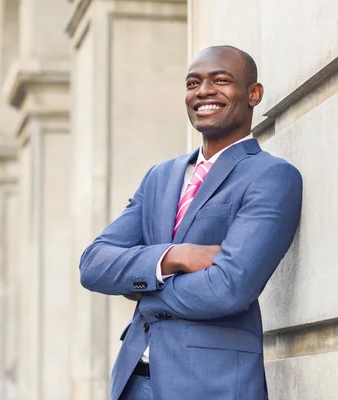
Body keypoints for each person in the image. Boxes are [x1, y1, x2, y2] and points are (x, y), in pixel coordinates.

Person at [79, 45, 303, 400]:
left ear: (253, 94)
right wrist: (173, 258)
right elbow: (93, 263)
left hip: (213, 385)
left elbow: (229, 288)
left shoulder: (270, 176)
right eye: (193, 82)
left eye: (221, 80)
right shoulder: (159, 177)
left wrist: (144, 291)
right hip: (134, 382)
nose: (203, 91)